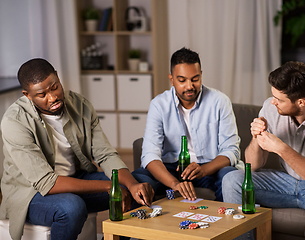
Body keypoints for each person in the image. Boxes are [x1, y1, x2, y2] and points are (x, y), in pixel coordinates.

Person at [0, 58, 154, 240]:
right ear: (28, 95)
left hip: (75, 179)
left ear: (57, 77)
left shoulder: (80, 105)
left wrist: (132, 184)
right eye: (42, 95)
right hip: (31, 194)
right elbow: (46, 183)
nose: (52, 97)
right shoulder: (14, 121)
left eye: (54, 87)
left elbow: (104, 155)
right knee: (72, 207)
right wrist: (109, 186)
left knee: (141, 183)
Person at [222, 61, 305, 240]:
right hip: (288, 182)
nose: (273, 102)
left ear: (301, 102)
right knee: (233, 180)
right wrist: (256, 138)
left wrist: (281, 148)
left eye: (278, 99)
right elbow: (251, 165)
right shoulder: (271, 108)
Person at [131, 47, 240, 202]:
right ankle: (139, 226)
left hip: (209, 167)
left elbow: (232, 151)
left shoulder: (220, 101)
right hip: (172, 168)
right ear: (172, 79)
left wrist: (203, 170)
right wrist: (174, 183)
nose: (189, 86)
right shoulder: (159, 105)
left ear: (201, 75)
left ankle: (226, 224)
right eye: (182, 80)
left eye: (195, 79)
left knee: (230, 176)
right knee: (137, 179)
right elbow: (149, 154)